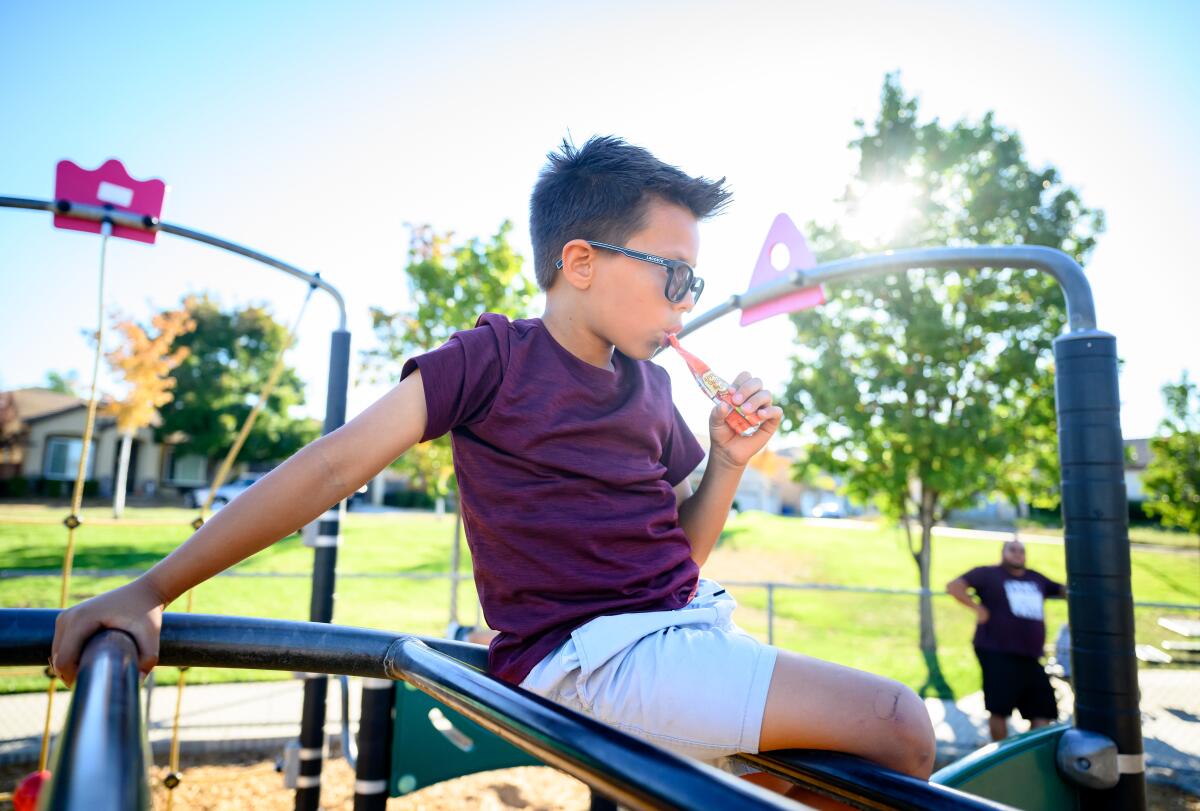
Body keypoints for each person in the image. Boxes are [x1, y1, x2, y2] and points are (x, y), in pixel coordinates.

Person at [50, 136, 934, 796]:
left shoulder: (654, 392)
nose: (685, 301)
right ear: (578, 262)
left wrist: (731, 463)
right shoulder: (492, 361)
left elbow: (675, 563)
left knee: (815, 775)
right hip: (591, 663)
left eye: (693, 284)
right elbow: (332, 466)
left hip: (679, 634)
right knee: (900, 724)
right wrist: (152, 589)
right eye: (673, 273)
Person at [947, 539, 1066, 741]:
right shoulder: (988, 574)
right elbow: (954, 586)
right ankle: (1000, 753)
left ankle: (1030, 753)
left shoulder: (1035, 578)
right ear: (1003, 552)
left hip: (1030, 655)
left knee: (1043, 708)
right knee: (999, 708)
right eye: (1013, 550)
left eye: (1022, 550)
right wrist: (978, 609)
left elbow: (1063, 590)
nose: (1018, 554)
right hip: (996, 651)